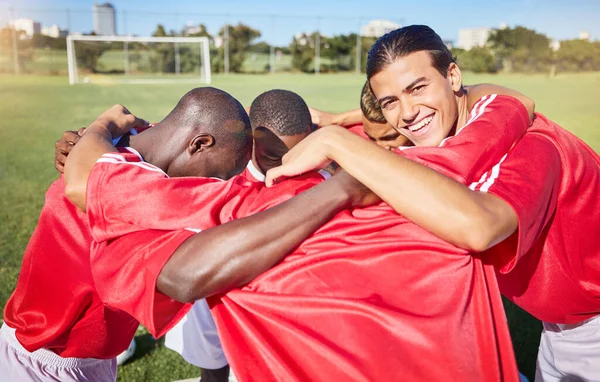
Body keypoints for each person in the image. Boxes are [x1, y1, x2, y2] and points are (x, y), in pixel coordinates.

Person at [62, 84, 534, 380]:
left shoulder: (211, 202)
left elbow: (90, 183)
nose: (287, 168)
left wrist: (101, 131)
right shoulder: (386, 172)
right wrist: (339, 153)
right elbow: (512, 102)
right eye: (276, 158)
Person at [266, 25, 600, 382]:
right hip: (562, 324)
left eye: (418, 87)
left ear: (452, 76)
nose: (407, 113)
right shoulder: (470, 126)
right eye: (390, 102)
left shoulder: (533, 145)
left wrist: (338, 142)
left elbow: (479, 226)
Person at [0, 87, 255, 381]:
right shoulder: (131, 189)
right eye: (219, 175)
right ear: (199, 144)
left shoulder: (113, 147)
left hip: (86, 358)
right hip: (42, 364)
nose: (214, 184)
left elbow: (158, 128)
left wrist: (102, 128)